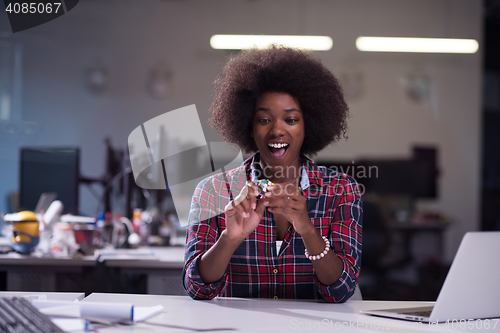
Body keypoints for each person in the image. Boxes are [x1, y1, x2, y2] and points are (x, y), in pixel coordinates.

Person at [182, 45, 362, 302]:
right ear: (248, 126)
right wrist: (230, 239)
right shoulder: (213, 190)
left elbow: (342, 290)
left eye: (290, 120)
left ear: (308, 125)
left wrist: (308, 231)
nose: (277, 131)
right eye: (264, 120)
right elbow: (197, 288)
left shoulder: (342, 190)